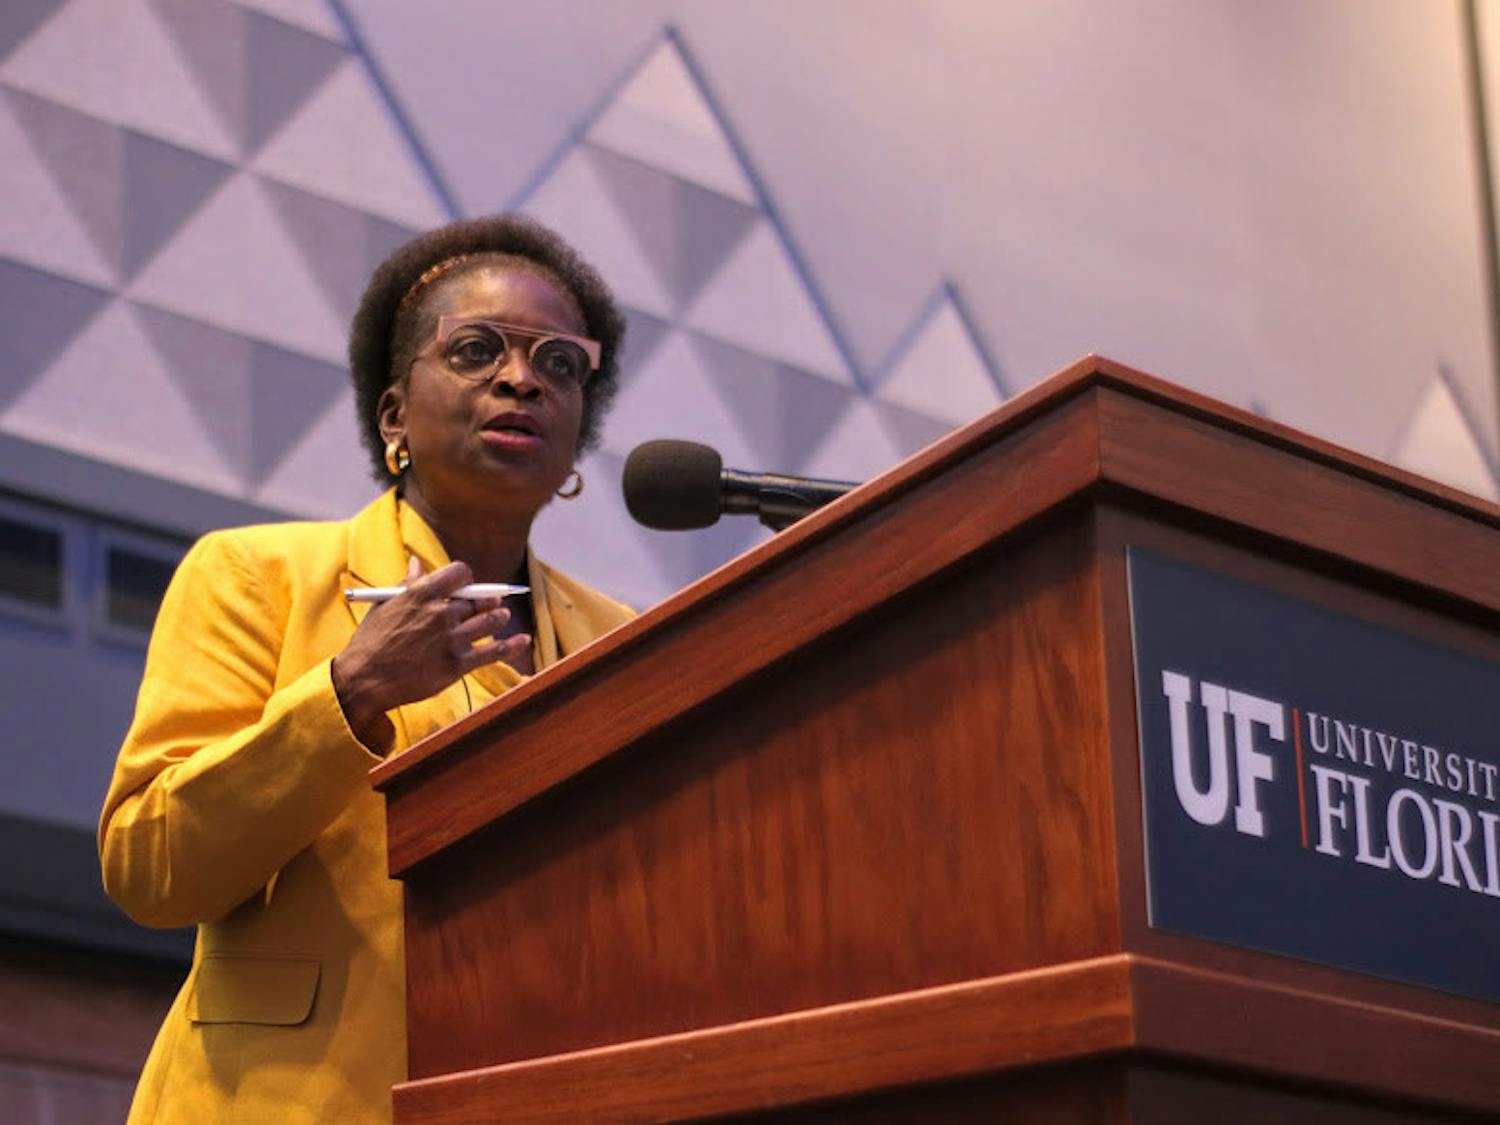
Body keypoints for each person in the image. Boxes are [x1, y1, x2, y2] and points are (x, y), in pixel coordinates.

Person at [98, 215, 636, 1122]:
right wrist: (348, 697)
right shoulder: (256, 575)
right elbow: (152, 869)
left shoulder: (620, 641)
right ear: (394, 413)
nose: (520, 379)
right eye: (475, 349)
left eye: (559, 364)